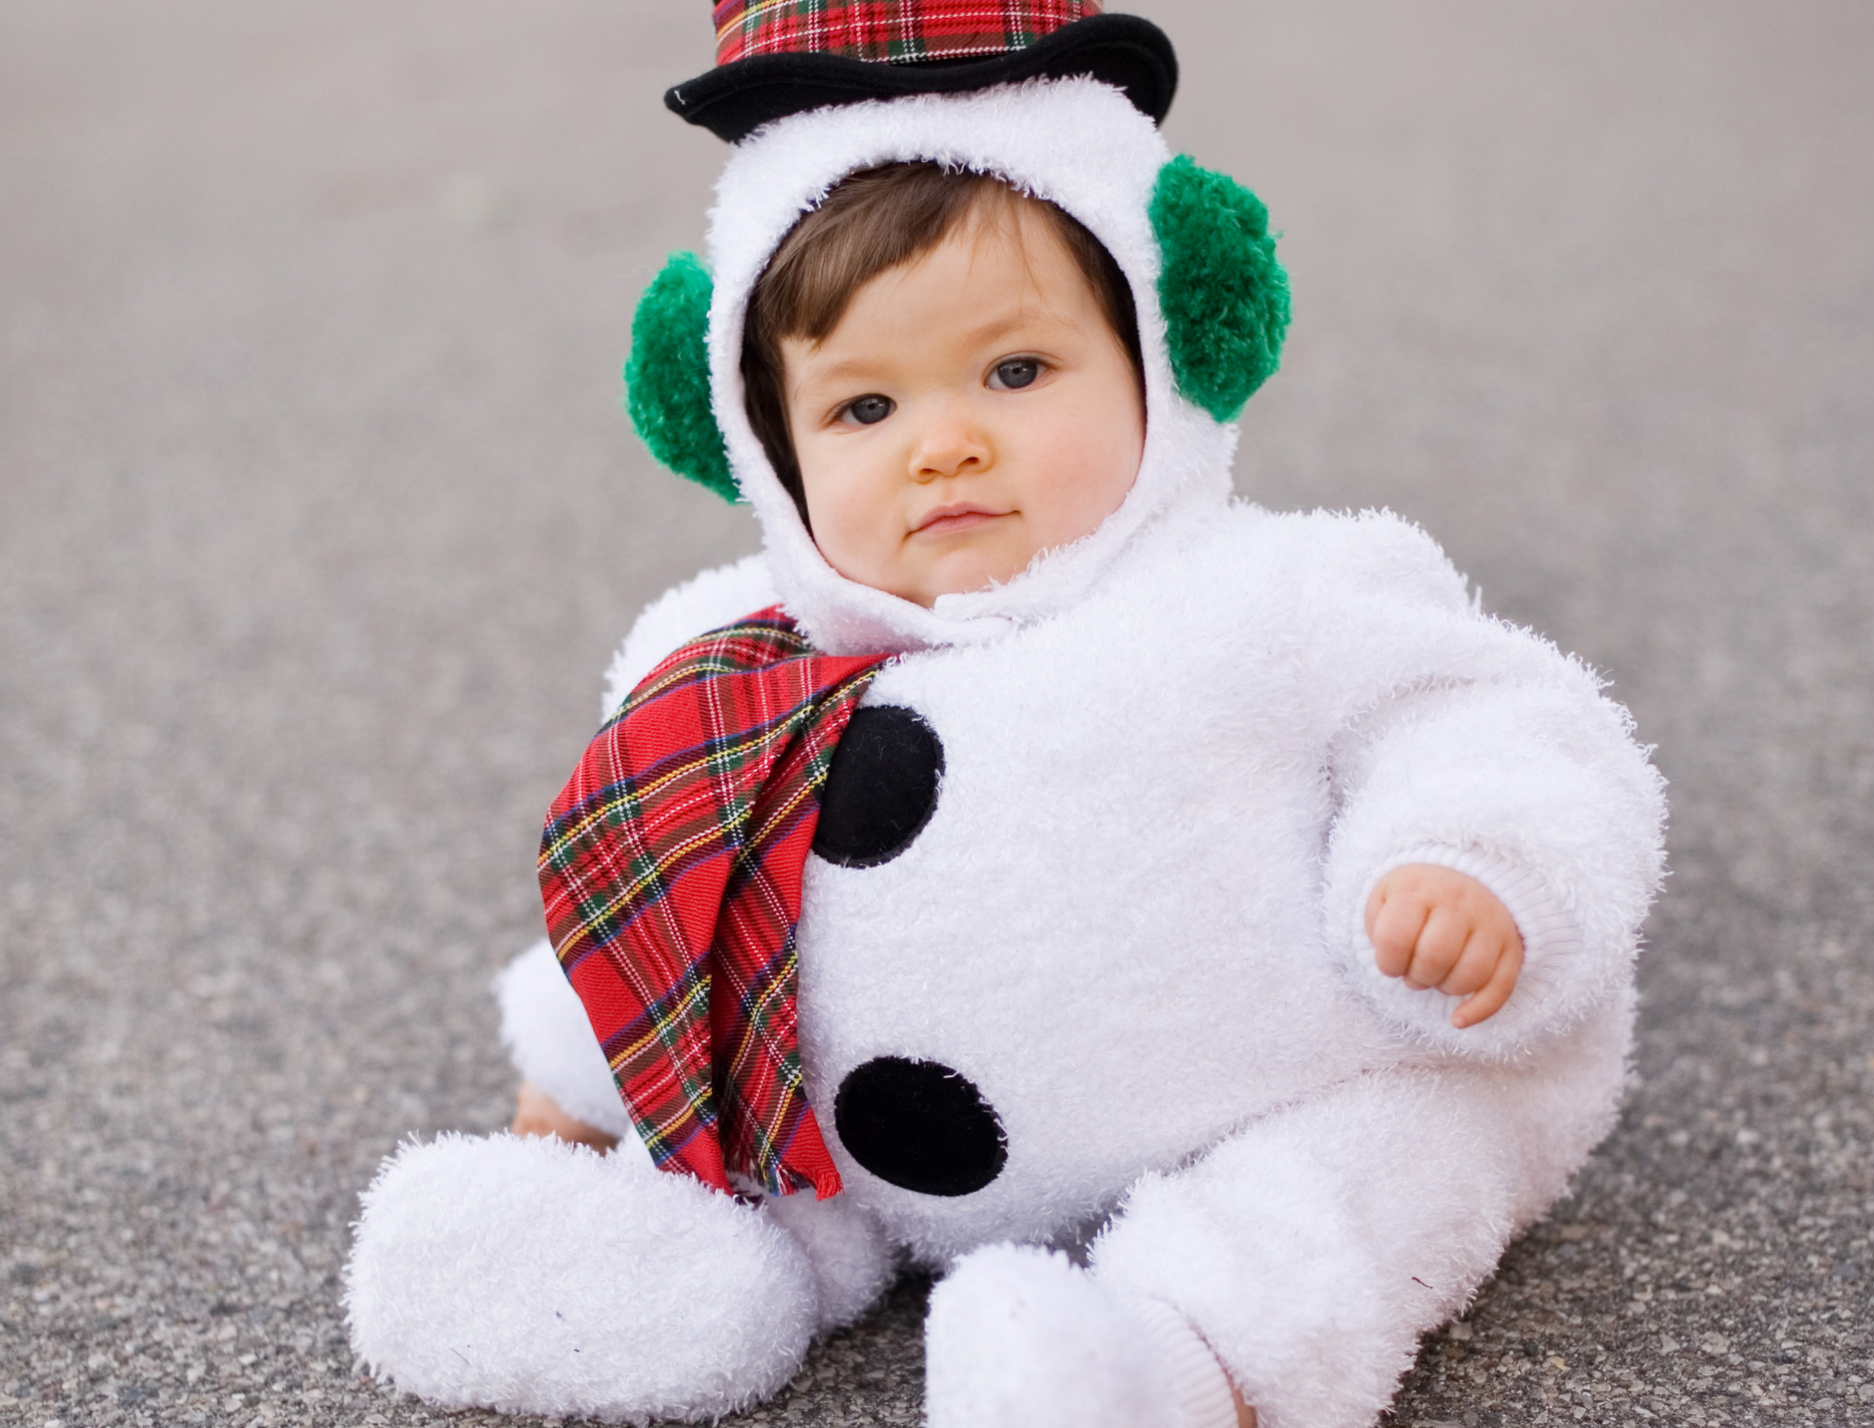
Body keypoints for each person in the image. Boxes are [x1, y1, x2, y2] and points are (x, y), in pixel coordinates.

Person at [347, 13, 1665, 1428]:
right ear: (759, 448)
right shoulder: (721, 672)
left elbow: (1500, 720)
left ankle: (1172, 1365)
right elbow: (657, 899)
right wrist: (581, 1071)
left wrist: (1471, 860)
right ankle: (644, 1288)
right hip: (868, 1151)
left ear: (1168, 352)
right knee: (745, 1148)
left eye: (1018, 372)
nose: (944, 442)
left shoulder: (1276, 595)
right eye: (861, 405)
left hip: (1272, 1094)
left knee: (1365, 1183)